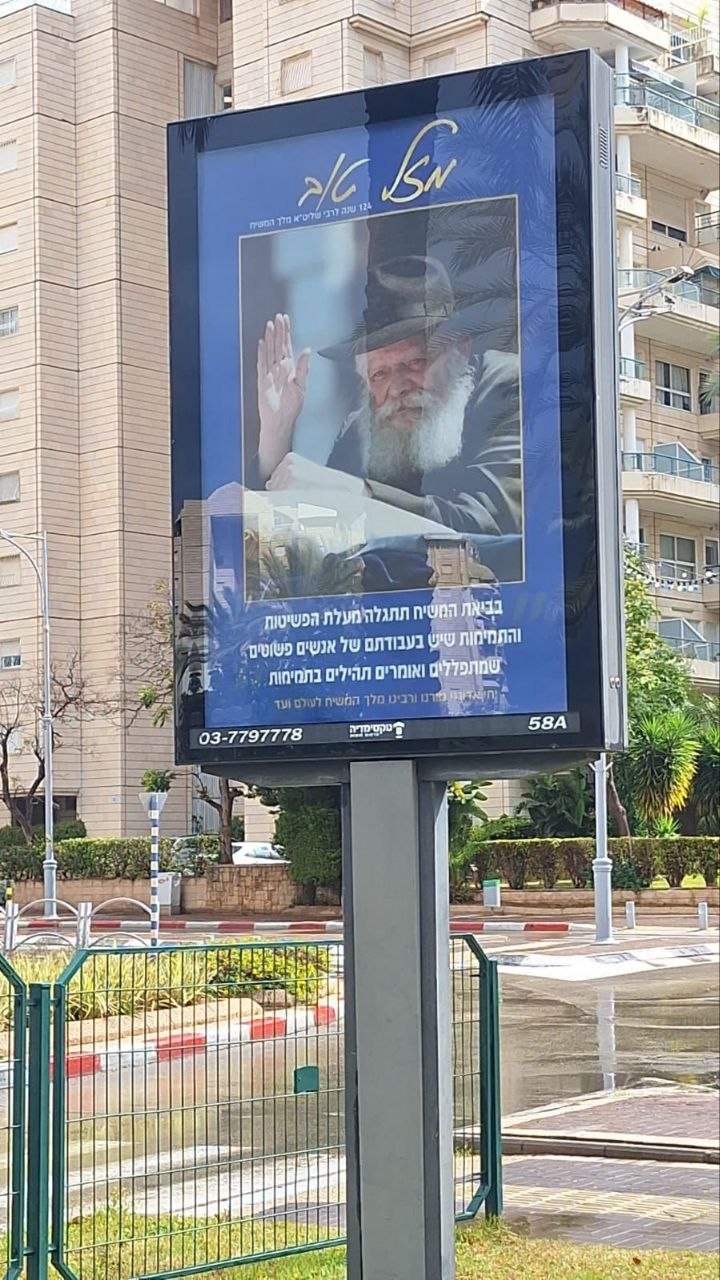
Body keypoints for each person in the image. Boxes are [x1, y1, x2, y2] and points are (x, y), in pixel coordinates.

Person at [250, 255, 522, 588]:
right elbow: (309, 547)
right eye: (380, 373)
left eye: (416, 362)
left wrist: (355, 493)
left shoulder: (509, 387)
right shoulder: (363, 429)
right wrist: (276, 437)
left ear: (460, 350)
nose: (397, 387)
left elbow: (490, 528)